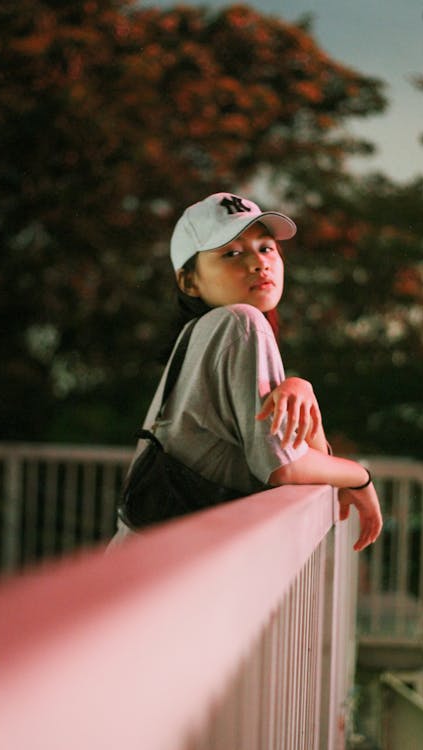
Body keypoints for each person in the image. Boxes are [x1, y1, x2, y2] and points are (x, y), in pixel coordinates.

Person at [110, 192, 382, 550]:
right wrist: (360, 477)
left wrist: (300, 387)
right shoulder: (241, 322)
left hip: (149, 564)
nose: (259, 263)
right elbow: (282, 466)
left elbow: (305, 456)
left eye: (266, 247)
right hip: (169, 576)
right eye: (232, 253)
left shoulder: (200, 334)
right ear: (189, 282)